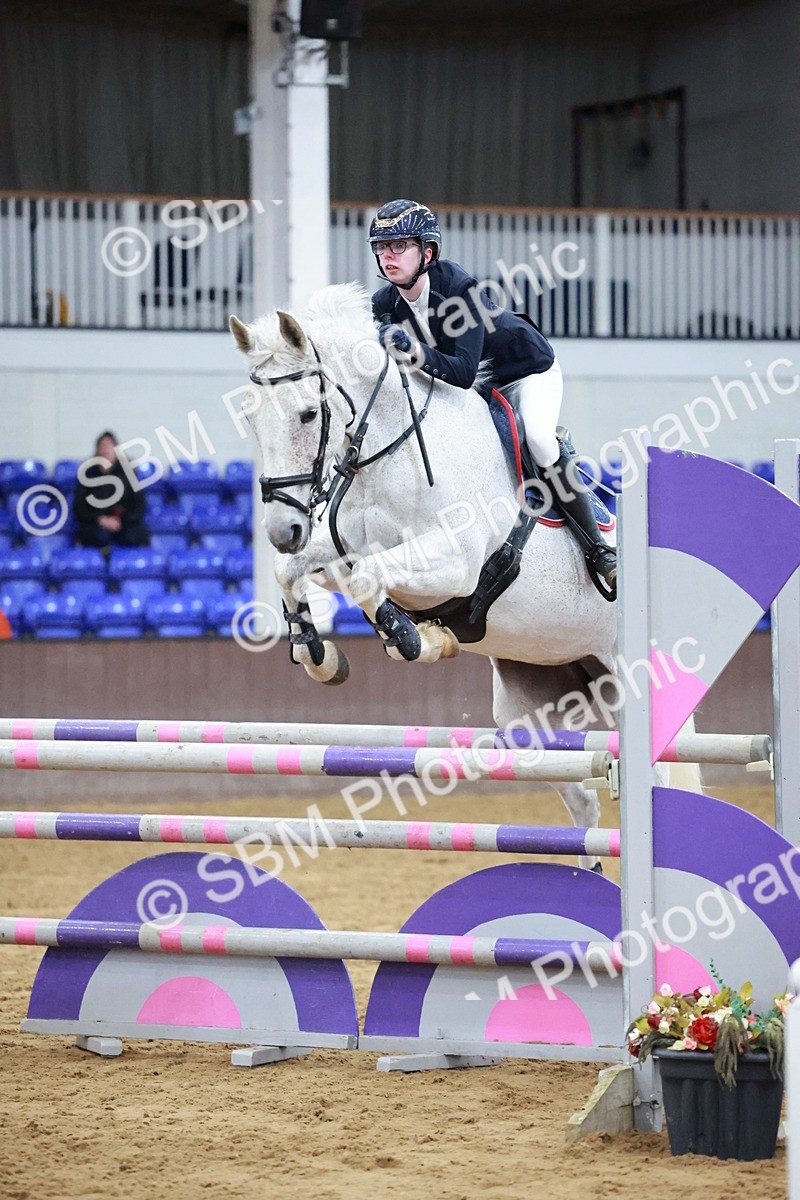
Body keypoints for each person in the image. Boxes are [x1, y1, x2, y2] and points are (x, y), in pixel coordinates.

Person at [369, 198, 617, 597]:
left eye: (399, 246)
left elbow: (464, 372)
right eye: (381, 247)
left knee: (537, 439)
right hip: (484, 387)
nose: (387, 256)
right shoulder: (384, 304)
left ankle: (600, 551)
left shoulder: (458, 288)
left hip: (527, 371)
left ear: (427, 251)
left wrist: (413, 352)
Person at [73, 431, 149, 551]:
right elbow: (80, 508)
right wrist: (101, 519)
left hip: (124, 523)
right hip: (96, 524)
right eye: (103, 446)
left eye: (110, 446)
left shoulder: (128, 473)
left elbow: (139, 505)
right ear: (97, 451)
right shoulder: (87, 474)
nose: (106, 451)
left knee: (135, 535)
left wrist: (121, 520)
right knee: (95, 535)